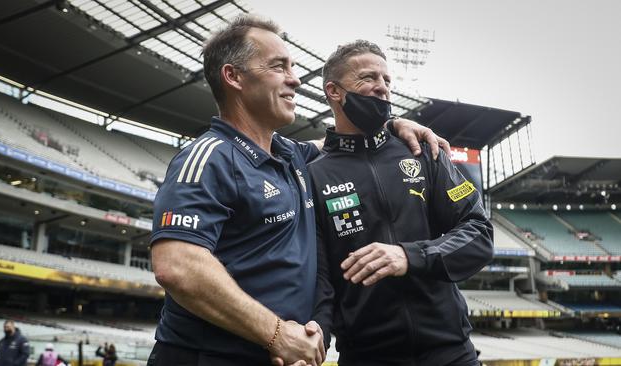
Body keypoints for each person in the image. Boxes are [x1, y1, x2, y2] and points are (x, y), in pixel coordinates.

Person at [148, 15, 448, 366]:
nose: (295, 79)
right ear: (233, 77)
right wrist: (276, 334)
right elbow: (177, 266)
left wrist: (393, 124)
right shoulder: (208, 157)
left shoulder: (291, 154)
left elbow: (342, 144)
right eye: (279, 67)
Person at [307, 40, 494, 366]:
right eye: (368, 78)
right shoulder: (313, 175)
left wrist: (410, 255)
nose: (382, 87)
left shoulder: (424, 152)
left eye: (387, 80)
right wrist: (315, 337)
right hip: (366, 356)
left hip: (450, 352)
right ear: (334, 92)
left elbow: (479, 233)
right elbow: (319, 278)